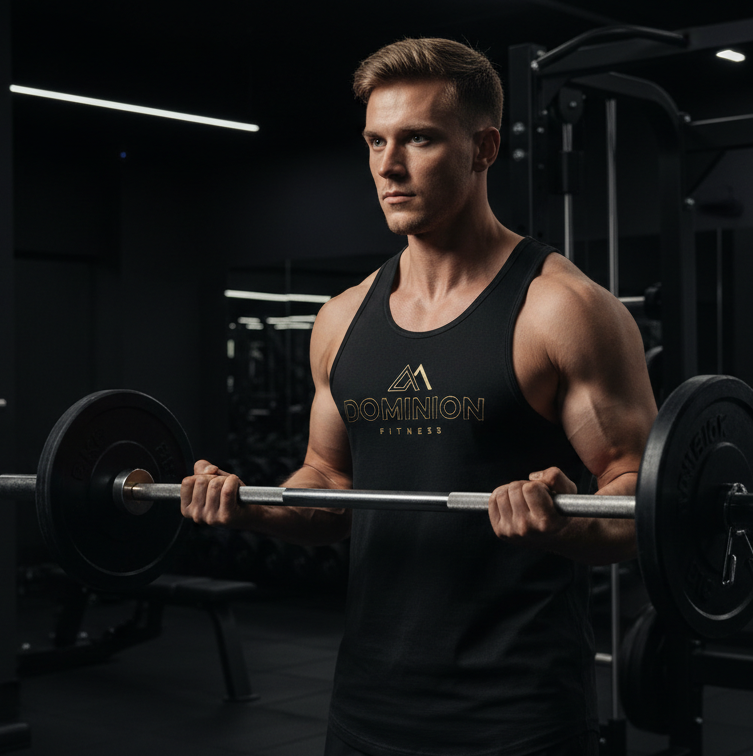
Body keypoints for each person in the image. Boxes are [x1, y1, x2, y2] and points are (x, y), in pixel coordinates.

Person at [180, 37, 657, 756]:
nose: (388, 166)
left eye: (419, 139)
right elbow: (329, 483)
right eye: (375, 141)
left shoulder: (560, 310)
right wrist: (252, 504)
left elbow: (636, 493)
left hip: (516, 712)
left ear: (483, 147)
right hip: (367, 704)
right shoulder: (341, 319)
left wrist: (566, 527)